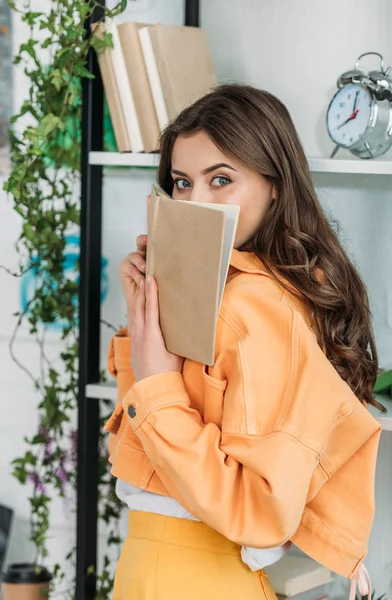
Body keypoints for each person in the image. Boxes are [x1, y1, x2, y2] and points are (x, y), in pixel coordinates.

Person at [105, 84, 383, 600]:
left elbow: (262, 510)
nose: (197, 202)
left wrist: (158, 384)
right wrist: (142, 311)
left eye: (222, 180)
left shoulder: (250, 303)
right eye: (183, 183)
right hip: (169, 563)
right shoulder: (227, 290)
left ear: (275, 185)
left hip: (188, 572)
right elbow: (138, 439)